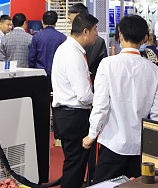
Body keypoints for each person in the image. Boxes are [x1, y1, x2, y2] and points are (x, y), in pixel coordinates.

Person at [83, 15, 158, 182]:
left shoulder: (107, 64)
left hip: (113, 143)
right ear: (144, 39)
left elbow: (101, 105)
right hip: (141, 146)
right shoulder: (154, 70)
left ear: (120, 35)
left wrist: (91, 134)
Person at [51, 13, 98, 188]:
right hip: (74, 116)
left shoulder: (67, 49)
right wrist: (100, 101)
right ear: (85, 31)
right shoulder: (73, 54)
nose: (97, 33)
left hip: (66, 115)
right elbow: (84, 96)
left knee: (74, 164)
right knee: (75, 166)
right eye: (95, 30)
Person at [67, 3, 107, 81]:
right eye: (72, 22)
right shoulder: (68, 44)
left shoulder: (98, 42)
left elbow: (103, 68)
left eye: (76, 21)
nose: (74, 25)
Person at [28, 10, 66, 76]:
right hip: (57, 74)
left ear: (42, 22)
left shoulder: (36, 36)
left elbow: (32, 57)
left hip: (39, 74)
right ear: (55, 23)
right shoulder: (63, 37)